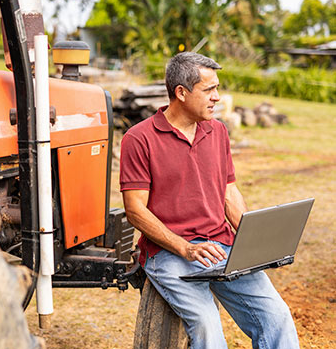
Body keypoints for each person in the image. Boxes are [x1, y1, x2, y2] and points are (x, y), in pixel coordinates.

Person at [120, 52, 299, 349]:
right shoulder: (139, 139)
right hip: (169, 254)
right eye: (209, 89)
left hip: (222, 247)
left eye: (217, 88)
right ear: (181, 92)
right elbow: (135, 210)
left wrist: (254, 241)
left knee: (277, 316)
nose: (217, 97)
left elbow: (229, 192)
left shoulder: (217, 131)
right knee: (207, 328)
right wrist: (185, 248)